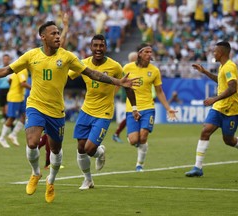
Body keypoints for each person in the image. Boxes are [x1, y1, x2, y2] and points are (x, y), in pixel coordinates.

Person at [0, 21, 139, 203]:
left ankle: (51, 180)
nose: (57, 36)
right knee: (32, 142)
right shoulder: (31, 55)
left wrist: (117, 82)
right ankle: (36, 173)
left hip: (57, 111)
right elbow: (6, 70)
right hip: (36, 105)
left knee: (56, 150)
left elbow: (92, 73)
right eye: (53, 33)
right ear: (43, 37)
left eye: (59, 33)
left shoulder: (67, 57)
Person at [68, 34, 140, 190]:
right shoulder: (83, 64)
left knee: (89, 149)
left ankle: (99, 152)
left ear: (106, 48)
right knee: (80, 148)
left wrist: (134, 108)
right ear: (91, 47)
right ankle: (88, 180)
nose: (98, 49)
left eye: (101, 46)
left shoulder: (115, 66)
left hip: (104, 113)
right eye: (95, 46)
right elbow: (67, 77)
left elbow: (127, 86)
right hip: (86, 110)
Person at [185, 41, 238, 177]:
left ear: (222, 52)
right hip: (218, 108)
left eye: (215, 51)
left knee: (228, 140)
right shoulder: (222, 67)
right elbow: (221, 81)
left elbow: (232, 88)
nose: (213, 53)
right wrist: (205, 72)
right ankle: (197, 168)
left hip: (231, 109)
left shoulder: (230, 67)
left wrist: (214, 99)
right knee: (205, 131)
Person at [123, 43, 177, 172]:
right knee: (134, 140)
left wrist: (168, 108)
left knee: (144, 135)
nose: (149, 54)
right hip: (132, 108)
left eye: (150, 52)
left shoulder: (154, 70)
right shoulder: (127, 68)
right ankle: (132, 138)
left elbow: (159, 91)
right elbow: (118, 85)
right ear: (139, 54)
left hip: (148, 107)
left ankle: (139, 165)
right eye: (146, 52)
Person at [0, 69, 31, 148]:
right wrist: (34, 88)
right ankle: (2, 138)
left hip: (20, 97)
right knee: (12, 118)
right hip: (15, 98)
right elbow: (23, 83)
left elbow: (10, 80)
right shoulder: (23, 70)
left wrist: (14, 86)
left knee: (25, 116)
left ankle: (13, 134)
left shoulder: (19, 70)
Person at [112, 51, 138, 143]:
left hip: (136, 98)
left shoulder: (136, 69)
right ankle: (126, 134)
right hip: (128, 97)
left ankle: (118, 134)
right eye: (136, 58)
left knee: (131, 116)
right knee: (130, 116)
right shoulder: (126, 70)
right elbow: (119, 84)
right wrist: (113, 95)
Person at [0, 54, 11, 123]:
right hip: (1, 88)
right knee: (2, 106)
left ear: (9, 59)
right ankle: (5, 118)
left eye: (7, 59)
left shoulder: (11, 68)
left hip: (9, 89)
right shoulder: (0, 67)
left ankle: (8, 118)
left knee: (7, 105)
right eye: (4, 59)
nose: (6, 60)